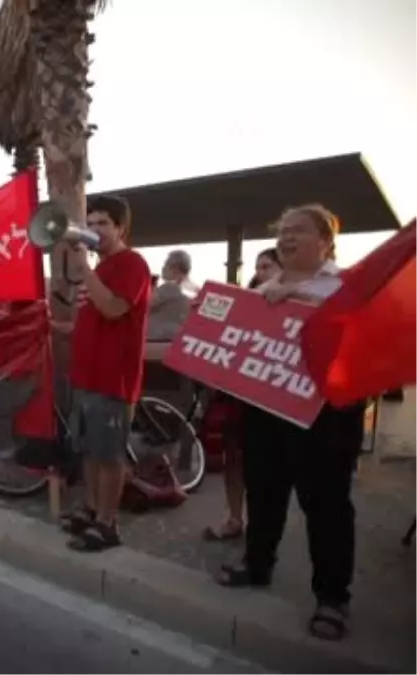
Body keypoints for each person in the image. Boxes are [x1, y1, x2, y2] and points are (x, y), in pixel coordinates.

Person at [216, 205, 362, 642]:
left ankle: (332, 597)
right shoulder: (265, 285)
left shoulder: (346, 285)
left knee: (327, 507)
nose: (287, 238)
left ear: (326, 240)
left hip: (326, 415)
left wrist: (299, 301)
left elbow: (353, 326)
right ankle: (257, 564)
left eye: (298, 230)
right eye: (282, 232)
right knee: (264, 491)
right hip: (266, 408)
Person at [53, 195, 152, 552]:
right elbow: (89, 321)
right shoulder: (100, 269)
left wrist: (85, 272)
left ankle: (108, 524)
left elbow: (112, 309)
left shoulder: (132, 264)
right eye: (90, 224)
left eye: (102, 224)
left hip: (114, 378)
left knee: (109, 455)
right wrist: (57, 327)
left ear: (121, 227)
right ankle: (93, 510)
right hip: (87, 375)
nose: (94, 231)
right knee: (90, 451)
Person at [203, 248, 281, 542]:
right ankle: (235, 518)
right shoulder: (242, 302)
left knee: (264, 468)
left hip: (271, 403)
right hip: (238, 401)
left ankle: (263, 529)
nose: (262, 272)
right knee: (233, 461)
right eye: (259, 267)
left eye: (269, 266)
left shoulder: (296, 305)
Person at [146, 249, 198, 341]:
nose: (163, 268)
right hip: (177, 339)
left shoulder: (169, 287)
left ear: (175, 268)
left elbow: (145, 305)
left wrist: (148, 287)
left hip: (157, 339)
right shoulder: (193, 291)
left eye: (166, 264)